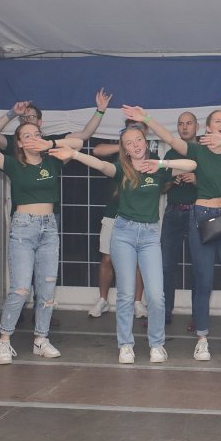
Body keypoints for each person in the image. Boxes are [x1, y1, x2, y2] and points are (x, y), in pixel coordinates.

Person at [123, 105, 221, 362]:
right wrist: (147, 119)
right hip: (202, 216)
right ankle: (202, 340)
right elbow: (170, 138)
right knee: (204, 281)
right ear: (207, 128)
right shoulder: (197, 150)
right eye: (217, 121)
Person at [52, 125, 196, 364]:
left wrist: (162, 164)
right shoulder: (120, 169)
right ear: (125, 150)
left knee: (156, 296)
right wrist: (75, 154)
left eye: (138, 139)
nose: (135, 145)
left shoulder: (158, 169)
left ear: (145, 142)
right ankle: (126, 345)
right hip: (123, 234)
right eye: (129, 143)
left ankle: (157, 344)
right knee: (126, 295)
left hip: (150, 236)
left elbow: (192, 164)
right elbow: (100, 164)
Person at [0, 94, 82, 365]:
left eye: (36, 134)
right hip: (23, 227)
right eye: (26, 135)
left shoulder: (53, 160)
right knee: (20, 289)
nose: (33, 138)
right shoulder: (13, 164)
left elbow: (78, 142)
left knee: (47, 289)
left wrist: (50, 143)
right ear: (18, 143)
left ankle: (41, 338)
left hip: (49, 227)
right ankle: (4, 341)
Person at [89, 120, 150, 320]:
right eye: (130, 130)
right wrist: (125, 146)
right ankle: (103, 300)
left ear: (145, 133)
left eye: (138, 131)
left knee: (139, 262)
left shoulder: (151, 158)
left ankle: (137, 302)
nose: (134, 136)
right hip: (113, 214)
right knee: (107, 258)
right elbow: (97, 151)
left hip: (139, 218)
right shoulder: (119, 153)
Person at [0, 89, 112, 154]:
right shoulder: (14, 144)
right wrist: (12, 113)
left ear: (40, 123)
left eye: (31, 117)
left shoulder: (52, 142)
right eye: (23, 118)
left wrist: (100, 110)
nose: (26, 121)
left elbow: (84, 135)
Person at [161, 112, 200, 326]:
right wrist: (173, 181)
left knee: (199, 267)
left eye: (188, 123)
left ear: (197, 127)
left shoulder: (204, 152)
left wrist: (196, 180)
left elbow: (215, 185)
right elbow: (160, 188)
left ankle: (198, 317)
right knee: (166, 265)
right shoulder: (171, 153)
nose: (184, 127)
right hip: (173, 213)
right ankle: (164, 313)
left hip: (197, 213)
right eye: (181, 124)